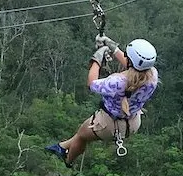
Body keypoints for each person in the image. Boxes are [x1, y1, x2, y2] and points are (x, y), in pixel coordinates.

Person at [46, 35, 158, 167]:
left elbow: (91, 83)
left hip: (108, 124)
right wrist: (114, 49)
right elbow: (134, 68)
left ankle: (68, 160)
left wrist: (96, 59)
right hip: (133, 122)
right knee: (81, 132)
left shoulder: (117, 82)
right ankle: (61, 146)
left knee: (81, 136)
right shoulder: (152, 77)